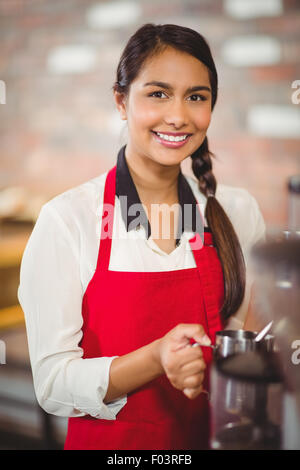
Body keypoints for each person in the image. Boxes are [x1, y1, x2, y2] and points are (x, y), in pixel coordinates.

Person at [18, 23, 266, 450]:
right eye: (157, 93)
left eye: (196, 97)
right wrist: (154, 359)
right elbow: (53, 385)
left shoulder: (239, 212)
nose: (178, 115)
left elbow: (248, 345)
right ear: (121, 100)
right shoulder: (69, 219)